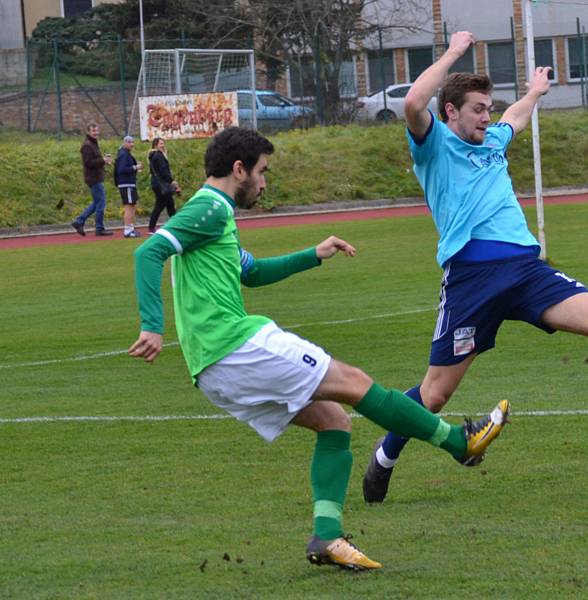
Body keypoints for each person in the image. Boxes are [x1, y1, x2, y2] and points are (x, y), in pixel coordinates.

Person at [362, 31, 588, 505]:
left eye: (489, 108)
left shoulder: (493, 139)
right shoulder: (432, 143)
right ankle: (384, 459)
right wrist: (455, 52)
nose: (488, 116)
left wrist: (535, 93)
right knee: (434, 395)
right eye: (478, 108)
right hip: (471, 282)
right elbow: (415, 100)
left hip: (526, 271)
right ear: (451, 111)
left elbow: (515, 118)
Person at [128, 126, 510, 571]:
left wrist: (314, 253)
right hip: (233, 345)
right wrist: (152, 327)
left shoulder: (215, 216)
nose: (265, 183)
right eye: (262, 172)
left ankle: (326, 537)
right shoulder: (210, 207)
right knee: (354, 383)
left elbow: (250, 273)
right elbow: (147, 253)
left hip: (213, 369)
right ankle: (457, 442)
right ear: (238, 170)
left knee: (334, 422)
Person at [72, 123, 114, 236]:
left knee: (97, 202)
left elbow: (94, 161)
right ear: (88, 132)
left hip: (96, 177)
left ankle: (79, 221)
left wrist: (103, 161)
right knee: (101, 203)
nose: (96, 133)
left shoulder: (92, 143)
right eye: (93, 131)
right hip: (93, 178)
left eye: (96, 130)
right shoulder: (87, 145)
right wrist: (103, 160)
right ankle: (99, 228)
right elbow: (88, 163)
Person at [147, 137, 180, 234]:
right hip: (162, 183)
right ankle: (152, 227)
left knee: (169, 203)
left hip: (156, 182)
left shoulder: (152, 155)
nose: (163, 145)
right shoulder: (159, 155)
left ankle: (174, 224)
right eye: (161, 143)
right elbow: (163, 171)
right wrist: (171, 181)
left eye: (163, 143)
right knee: (161, 205)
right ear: (155, 145)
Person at [114, 135, 144, 238]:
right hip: (126, 184)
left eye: (132, 142)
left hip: (129, 183)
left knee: (132, 205)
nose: (131, 144)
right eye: (129, 142)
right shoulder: (123, 154)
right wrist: (135, 167)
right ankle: (128, 230)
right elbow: (122, 170)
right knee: (128, 206)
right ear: (124, 143)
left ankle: (130, 228)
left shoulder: (125, 154)